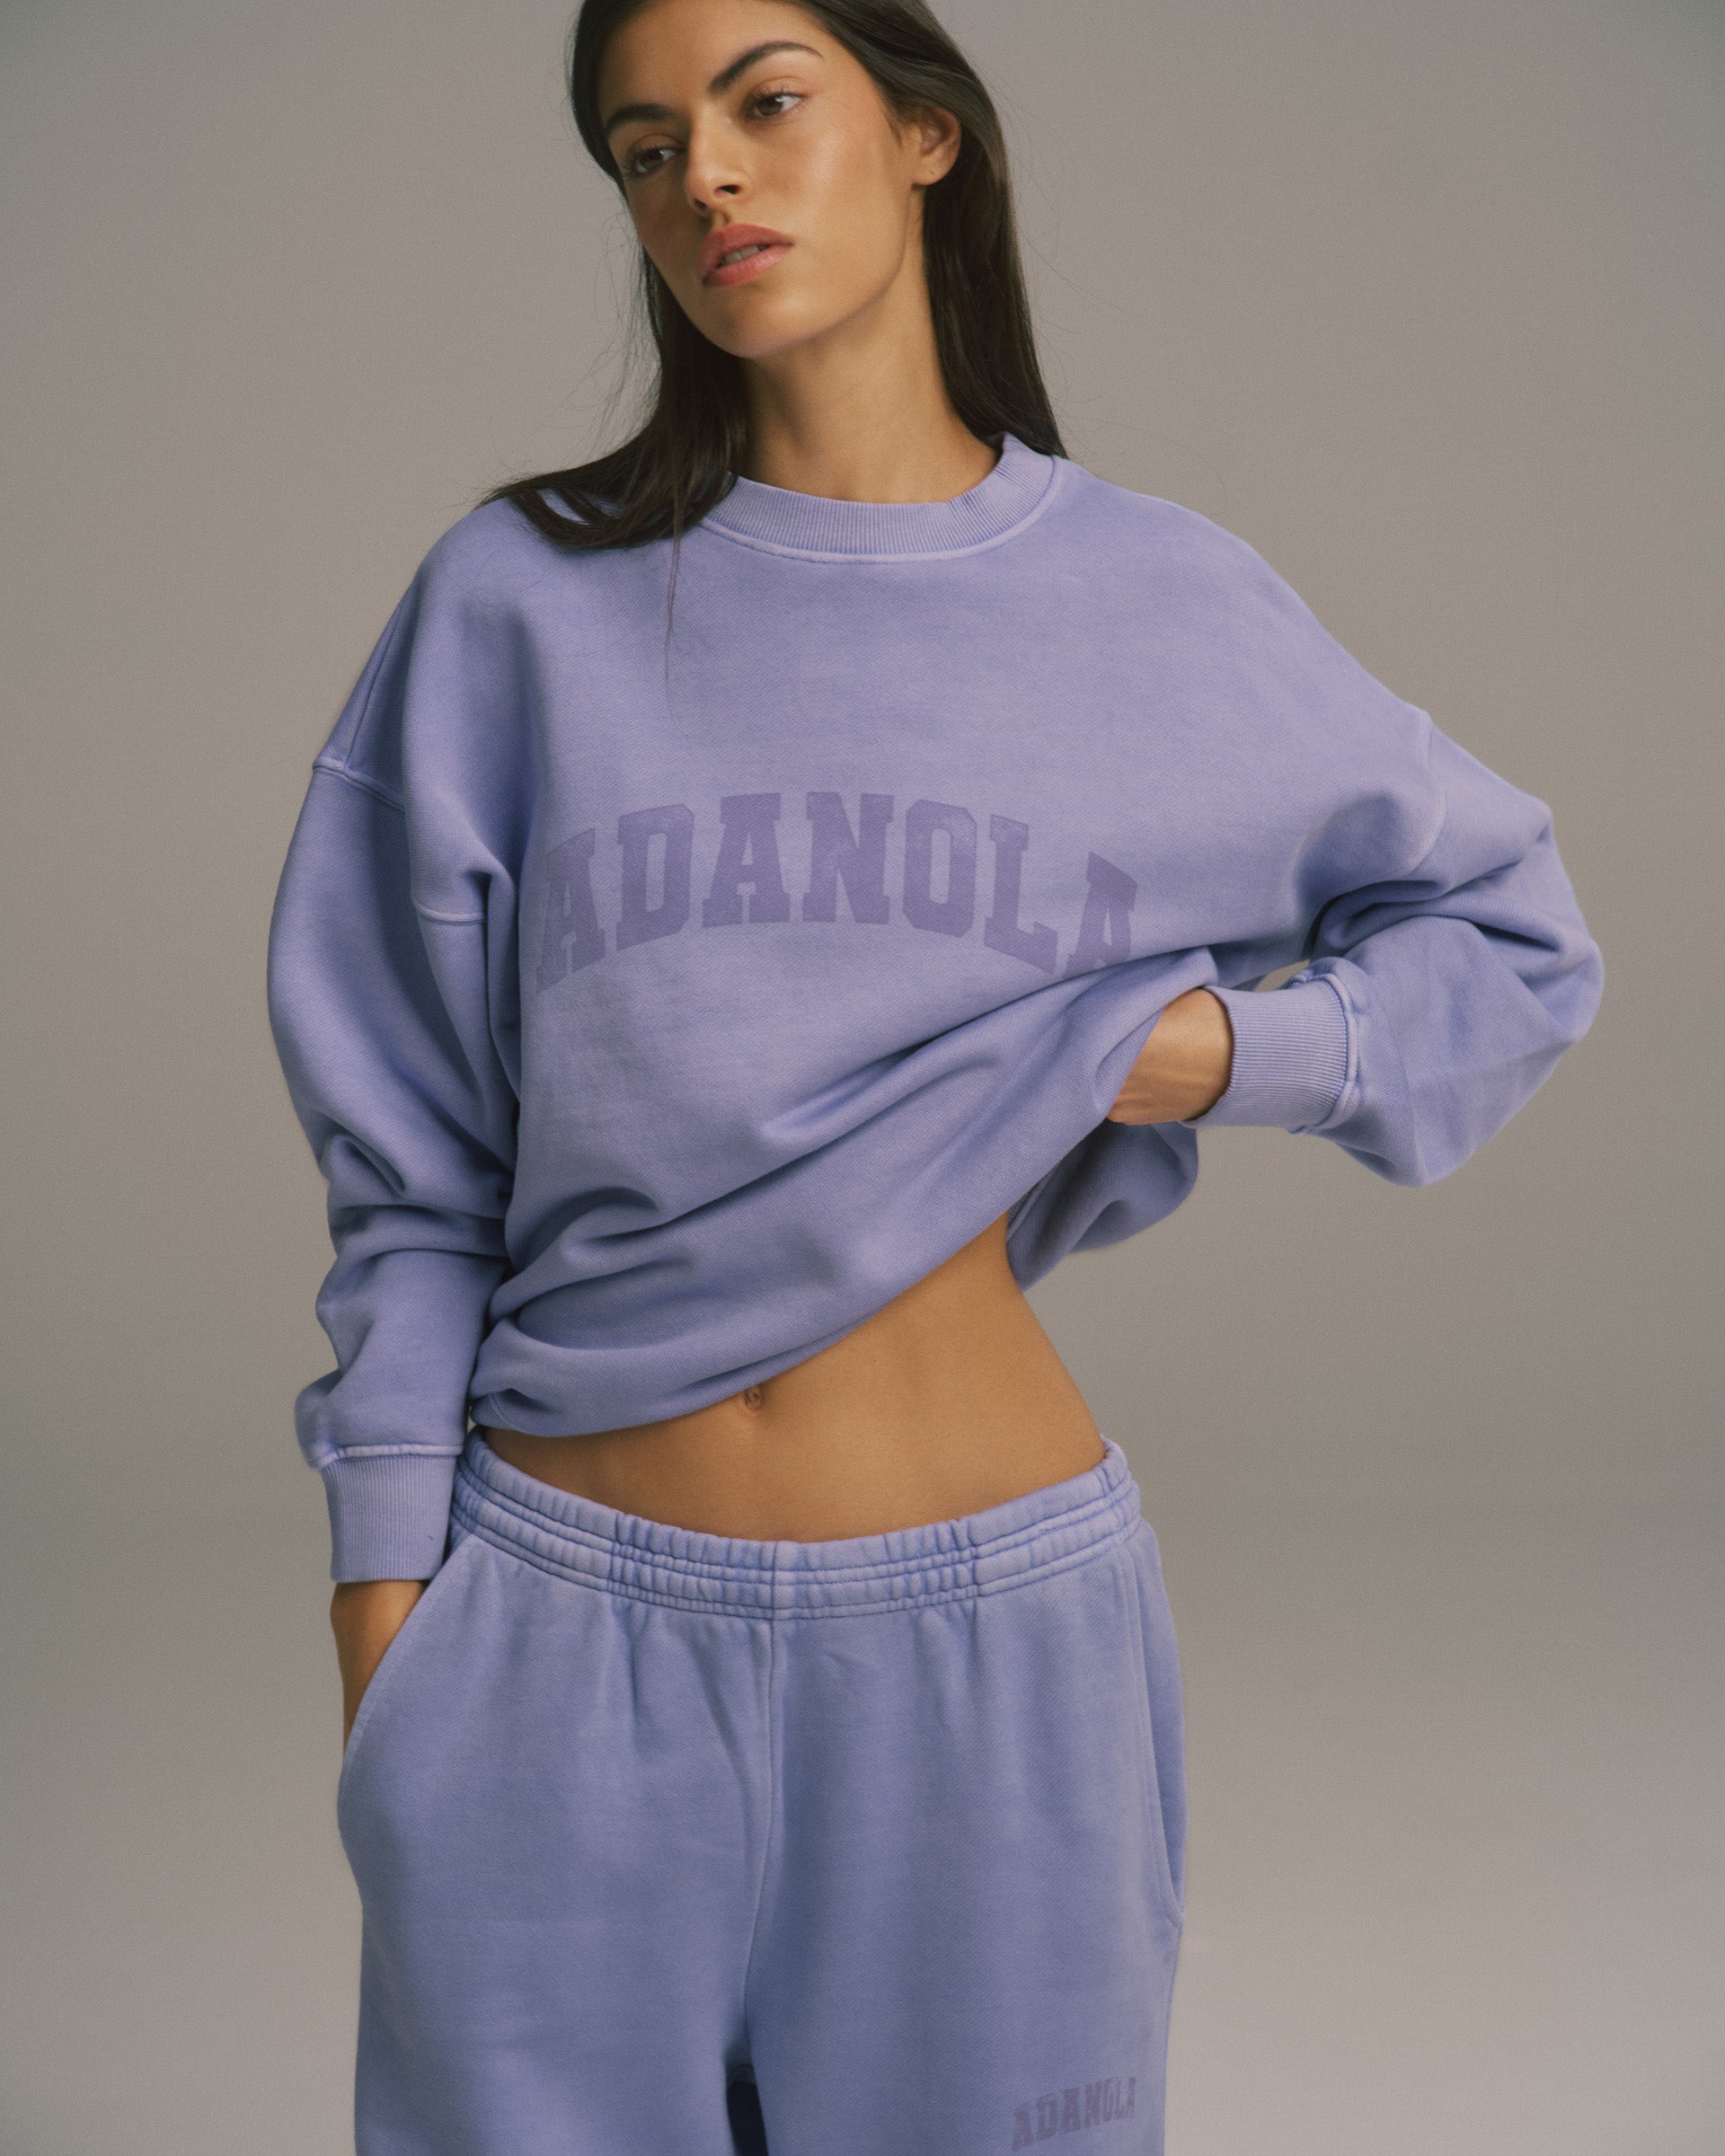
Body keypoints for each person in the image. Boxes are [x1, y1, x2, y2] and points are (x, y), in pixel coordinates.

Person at [263, 2, 1604, 2149]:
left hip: (989, 1660)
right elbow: (414, 1170)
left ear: (925, 137)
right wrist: (385, 1612)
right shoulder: (518, 605)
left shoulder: (1151, 598)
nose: (705, 174)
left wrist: (1199, 1052)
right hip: (551, 1648)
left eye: (765, 102)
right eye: (644, 146)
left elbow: (1515, 936)